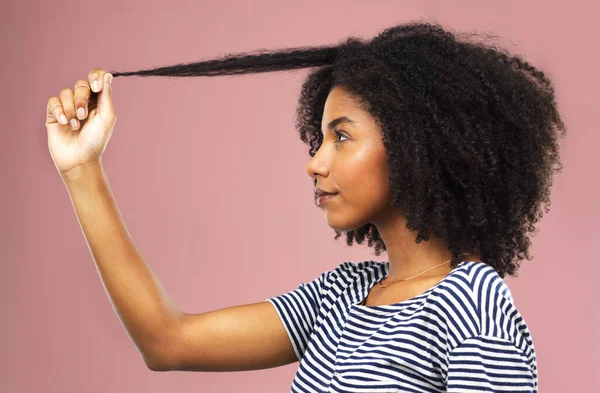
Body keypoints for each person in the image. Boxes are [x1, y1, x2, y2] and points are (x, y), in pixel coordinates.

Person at [45, 21, 565, 392]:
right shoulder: (342, 296)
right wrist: (80, 168)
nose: (314, 163)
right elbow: (167, 341)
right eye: (317, 140)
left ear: (416, 146)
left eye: (341, 137)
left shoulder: (473, 308)